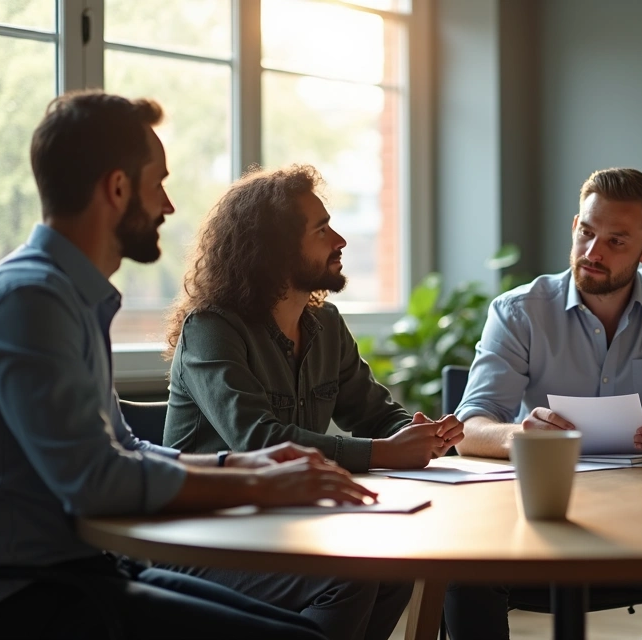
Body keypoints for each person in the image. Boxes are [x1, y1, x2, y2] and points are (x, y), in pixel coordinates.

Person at [0, 90, 377, 640]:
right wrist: (261, 487)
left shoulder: (71, 298)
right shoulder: (32, 300)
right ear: (117, 188)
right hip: (31, 593)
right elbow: (95, 481)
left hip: (87, 570)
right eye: (159, 185)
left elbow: (124, 449)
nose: (168, 206)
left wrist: (243, 466)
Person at [161, 164, 461, 639]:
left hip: (290, 527)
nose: (340, 240)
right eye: (322, 230)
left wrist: (423, 435)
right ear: (274, 249)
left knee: (397, 566)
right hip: (205, 543)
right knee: (350, 574)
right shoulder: (211, 329)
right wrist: (388, 451)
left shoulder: (327, 325)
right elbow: (260, 441)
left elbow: (377, 413)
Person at [445, 168, 642, 640]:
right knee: (464, 571)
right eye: (586, 231)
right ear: (575, 225)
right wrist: (521, 434)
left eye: (616, 241)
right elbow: (469, 427)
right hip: (536, 516)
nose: (592, 252)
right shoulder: (518, 310)